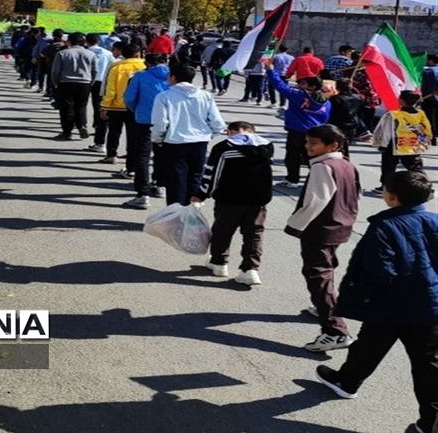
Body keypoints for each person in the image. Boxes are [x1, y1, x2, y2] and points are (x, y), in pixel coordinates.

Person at [315, 170, 438, 433]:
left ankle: (347, 382)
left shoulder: (384, 227)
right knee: (427, 363)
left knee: (370, 343)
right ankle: (432, 425)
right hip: (429, 304)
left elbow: (377, 271)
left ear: (391, 196)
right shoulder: (434, 221)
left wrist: (357, 298)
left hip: (389, 305)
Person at [285, 124, 360, 352]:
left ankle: (334, 330)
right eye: (308, 142)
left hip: (320, 228)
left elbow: (316, 201)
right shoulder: (346, 164)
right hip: (340, 225)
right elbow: (355, 196)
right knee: (327, 270)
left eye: (314, 143)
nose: (308, 146)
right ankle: (324, 306)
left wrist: (295, 225)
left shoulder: (323, 167)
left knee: (318, 275)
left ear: (333, 145)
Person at [192, 121, 273, 285]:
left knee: (223, 230)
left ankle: (219, 263)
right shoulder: (266, 147)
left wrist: (202, 194)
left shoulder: (224, 148)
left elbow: (212, 174)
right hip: (258, 200)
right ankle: (250, 270)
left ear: (230, 132)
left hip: (229, 199)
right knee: (254, 233)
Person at [151, 63, 226, 206]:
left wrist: (158, 139)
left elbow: (160, 122)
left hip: (174, 142)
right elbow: (218, 123)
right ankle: (191, 215)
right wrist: (209, 135)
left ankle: (176, 215)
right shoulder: (205, 95)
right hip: (199, 142)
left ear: (173, 77)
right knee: (195, 178)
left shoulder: (164, 96)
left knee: (176, 181)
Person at [264, 59, 331, 186]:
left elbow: (279, 85)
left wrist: (271, 70)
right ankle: (317, 181)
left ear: (312, 86)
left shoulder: (298, 95)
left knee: (293, 156)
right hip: (316, 132)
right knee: (312, 157)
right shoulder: (326, 101)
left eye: (304, 83)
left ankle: (292, 179)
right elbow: (326, 117)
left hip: (297, 131)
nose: (300, 85)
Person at [121, 53, 170, 209]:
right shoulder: (173, 75)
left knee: (142, 155)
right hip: (168, 121)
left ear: (147, 63)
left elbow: (129, 98)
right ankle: (160, 185)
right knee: (162, 153)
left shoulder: (140, 76)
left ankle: (143, 194)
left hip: (144, 119)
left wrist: (137, 110)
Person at [372, 90, 432, 191]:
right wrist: (424, 141)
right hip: (413, 143)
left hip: (395, 144)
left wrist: (383, 144)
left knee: (388, 166)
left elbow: (387, 131)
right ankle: (425, 185)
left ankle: (386, 187)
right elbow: (426, 128)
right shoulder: (421, 113)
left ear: (401, 101)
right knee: (415, 166)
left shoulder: (393, 115)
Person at [100, 43, 145, 172]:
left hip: (117, 105)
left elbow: (111, 89)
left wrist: (105, 106)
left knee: (114, 131)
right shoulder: (144, 66)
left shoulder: (116, 67)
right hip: (136, 107)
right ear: (137, 53)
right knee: (133, 136)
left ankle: (111, 155)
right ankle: (131, 163)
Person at [50, 32, 98, 140]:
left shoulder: (62, 53)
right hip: (85, 83)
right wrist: (91, 82)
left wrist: (56, 83)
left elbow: (55, 71)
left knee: (66, 108)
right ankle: (82, 125)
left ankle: (67, 132)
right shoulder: (90, 54)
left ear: (69, 42)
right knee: (81, 106)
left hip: (66, 83)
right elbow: (95, 70)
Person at [85, 33, 114, 153]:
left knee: (82, 103)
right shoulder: (107, 53)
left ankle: (80, 123)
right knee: (98, 105)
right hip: (102, 81)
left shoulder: (86, 52)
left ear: (87, 41)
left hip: (87, 79)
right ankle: (97, 124)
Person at [329, 78, 362, 158]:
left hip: (338, 125)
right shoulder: (358, 98)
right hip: (352, 125)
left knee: (338, 147)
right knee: (344, 145)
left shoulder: (335, 99)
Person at [421, 54, 438, 146]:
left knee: (428, 119)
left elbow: (425, 85)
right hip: (433, 97)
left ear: (431, 60)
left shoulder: (428, 71)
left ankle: (432, 139)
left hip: (429, 98)